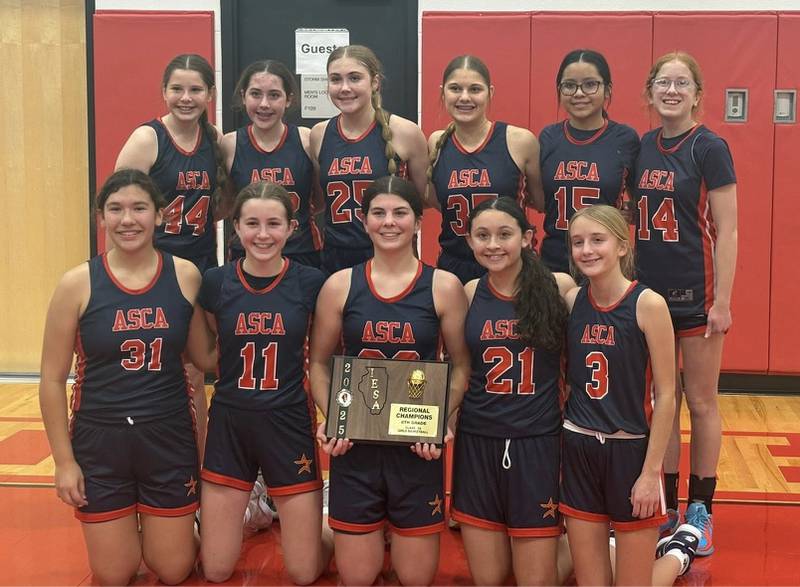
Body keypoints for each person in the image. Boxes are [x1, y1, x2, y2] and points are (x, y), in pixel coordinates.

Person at [39, 169, 211, 585]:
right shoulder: (76, 284)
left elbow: (203, 361)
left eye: (139, 208)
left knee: (172, 570)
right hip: (100, 441)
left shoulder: (185, 275)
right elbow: (50, 378)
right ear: (101, 218)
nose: (127, 219)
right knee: (114, 574)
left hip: (168, 435)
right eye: (115, 209)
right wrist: (64, 462)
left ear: (159, 216)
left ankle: (168, 527)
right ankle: (131, 529)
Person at [309, 176, 470, 586]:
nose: (389, 222)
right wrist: (333, 417)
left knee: (416, 579)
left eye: (400, 213)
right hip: (356, 447)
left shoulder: (443, 286)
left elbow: (462, 366)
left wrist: (442, 419)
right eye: (378, 213)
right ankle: (333, 533)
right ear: (364, 222)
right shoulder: (340, 285)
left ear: (418, 222)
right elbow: (320, 364)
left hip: (416, 451)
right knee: (358, 578)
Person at [196, 181, 332, 584]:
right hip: (231, 425)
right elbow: (208, 353)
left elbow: (323, 359)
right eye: (251, 223)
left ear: (292, 228)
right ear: (235, 227)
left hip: (289, 423)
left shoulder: (311, 283)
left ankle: (336, 529)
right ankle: (253, 507)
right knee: (217, 570)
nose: (262, 234)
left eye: (274, 223)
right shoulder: (215, 282)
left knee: (304, 573)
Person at [635, 51, 738, 555]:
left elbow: (729, 228)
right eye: (663, 82)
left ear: (697, 93)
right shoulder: (641, 147)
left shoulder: (710, 147)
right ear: (650, 92)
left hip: (696, 295)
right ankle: (666, 504)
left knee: (700, 401)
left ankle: (701, 508)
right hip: (649, 298)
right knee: (660, 403)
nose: (671, 91)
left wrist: (723, 300)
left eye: (681, 83)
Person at [453, 198, 571, 585]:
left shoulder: (560, 287)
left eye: (505, 234)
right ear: (469, 241)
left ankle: (590, 545)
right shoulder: (468, 292)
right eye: (482, 235)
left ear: (527, 238)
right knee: (490, 581)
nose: (493, 244)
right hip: (478, 442)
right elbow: (459, 368)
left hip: (536, 444)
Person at [115, 53, 226, 457]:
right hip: (153, 271)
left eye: (195, 89)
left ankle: (195, 472)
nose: (186, 97)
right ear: (163, 92)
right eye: (177, 88)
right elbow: (119, 205)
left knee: (196, 373)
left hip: (197, 270)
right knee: (153, 372)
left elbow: (223, 204)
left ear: (209, 94)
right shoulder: (148, 139)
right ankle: (147, 457)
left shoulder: (212, 141)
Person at [559, 205, 676, 586]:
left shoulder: (648, 304)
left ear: (623, 246)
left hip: (630, 452)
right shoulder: (573, 300)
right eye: (578, 242)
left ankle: (679, 553)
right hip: (579, 448)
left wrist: (650, 473)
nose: (587, 250)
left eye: (598, 240)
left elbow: (668, 396)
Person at [310, 45, 429, 275]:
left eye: (355, 78)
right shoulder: (319, 133)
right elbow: (320, 201)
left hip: (392, 257)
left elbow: (422, 200)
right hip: (335, 259)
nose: (344, 88)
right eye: (335, 79)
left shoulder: (405, 132)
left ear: (375, 82)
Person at [428, 55, 546, 284]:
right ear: (443, 93)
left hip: (511, 266)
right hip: (455, 267)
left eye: (475, 89)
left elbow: (539, 201)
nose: (464, 97)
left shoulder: (519, 140)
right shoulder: (436, 143)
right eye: (455, 89)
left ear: (490, 92)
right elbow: (436, 201)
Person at [538, 49, 640, 273]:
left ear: (607, 90)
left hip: (606, 264)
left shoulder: (625, 139)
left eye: (590, 84)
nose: (579, 93)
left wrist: (628, 212)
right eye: (569, 85)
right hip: (554, 263)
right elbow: (537, 199)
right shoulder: (548, 137)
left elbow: (640, 198)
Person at [220, 60, 322, 266]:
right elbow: (227, 204)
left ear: (288, 100)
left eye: (274, 95)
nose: (264, 104)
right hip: (246, 254)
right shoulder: (229, 144)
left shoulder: (306, 140)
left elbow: (320, 200)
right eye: (255, 94)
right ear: (243, 97)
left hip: (301, 253)